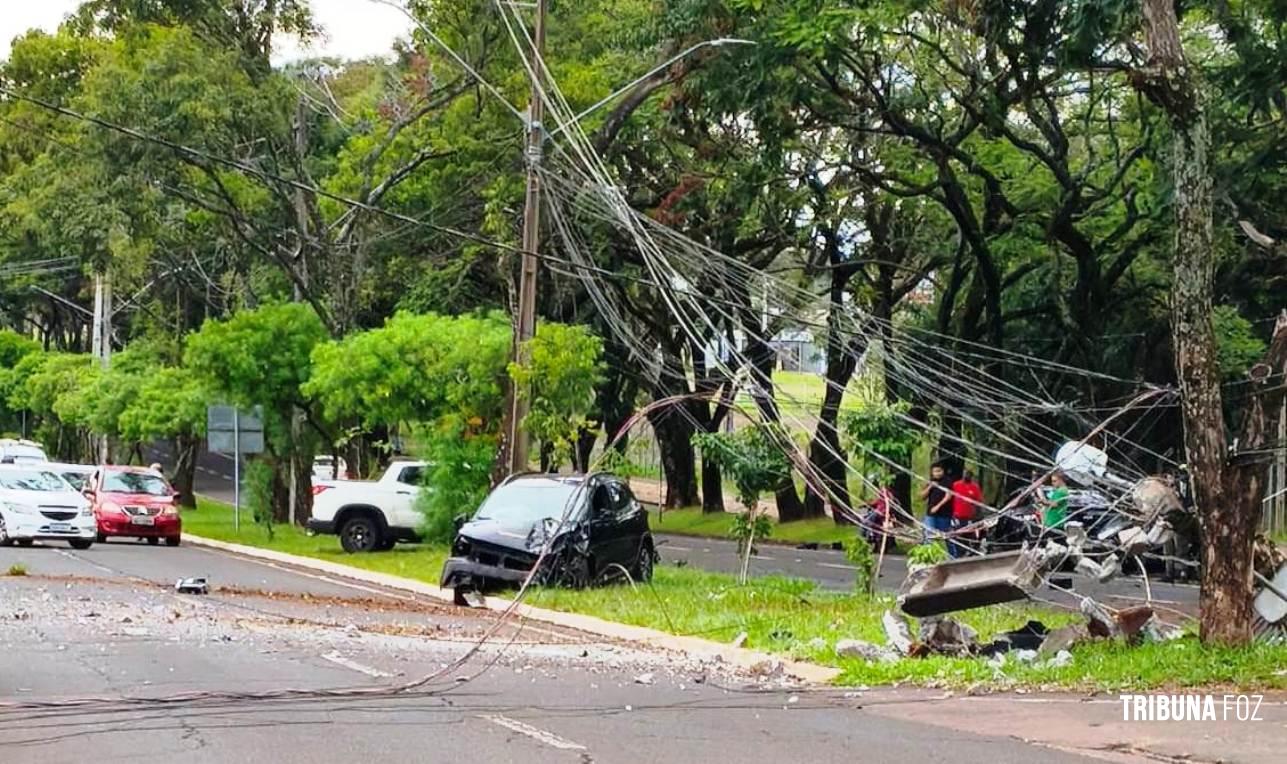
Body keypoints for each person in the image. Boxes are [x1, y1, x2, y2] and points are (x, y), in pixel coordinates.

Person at [949, 470, 983, 558]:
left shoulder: (975, 487)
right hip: (956, 516)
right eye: (965, 474)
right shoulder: (956, 485)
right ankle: (958, 554)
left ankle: (970, 553)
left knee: (969, 535)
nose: (966, 476)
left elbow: (978, 502)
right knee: (957, 535)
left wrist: (977, 516)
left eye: (968, 475)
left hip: (969, 517)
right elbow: (949, 498)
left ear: (971, 476)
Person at [920, 462, 953, 544]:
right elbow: (922, 497)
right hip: (930, 514)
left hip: (944, 514)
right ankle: (928, 553)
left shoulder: (947, 481)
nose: (937, 473)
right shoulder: (930, 482)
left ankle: (954, 555)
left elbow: (948, 496)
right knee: (929, 535)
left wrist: (938, 506)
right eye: (935, 471)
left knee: (946, 536)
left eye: (939, 471)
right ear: (932, 472)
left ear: (943, 471)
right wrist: (930, 487)